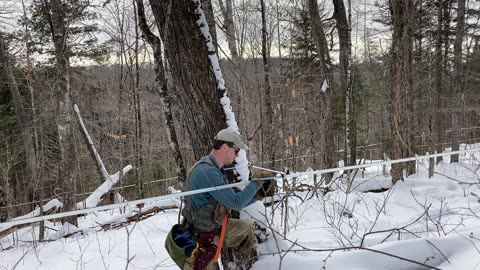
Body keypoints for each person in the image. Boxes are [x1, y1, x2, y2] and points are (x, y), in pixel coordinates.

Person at [181, 128, 262, 270]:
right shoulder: (208, 172)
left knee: (245, 229)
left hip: (213, 229)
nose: (237, 155)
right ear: (225, 147)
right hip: (201, 240)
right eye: (236, 150)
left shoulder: (212, 169)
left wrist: (259, 194)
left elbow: (233, 201)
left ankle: (243, 267)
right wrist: (256, 182)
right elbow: (236, 203)